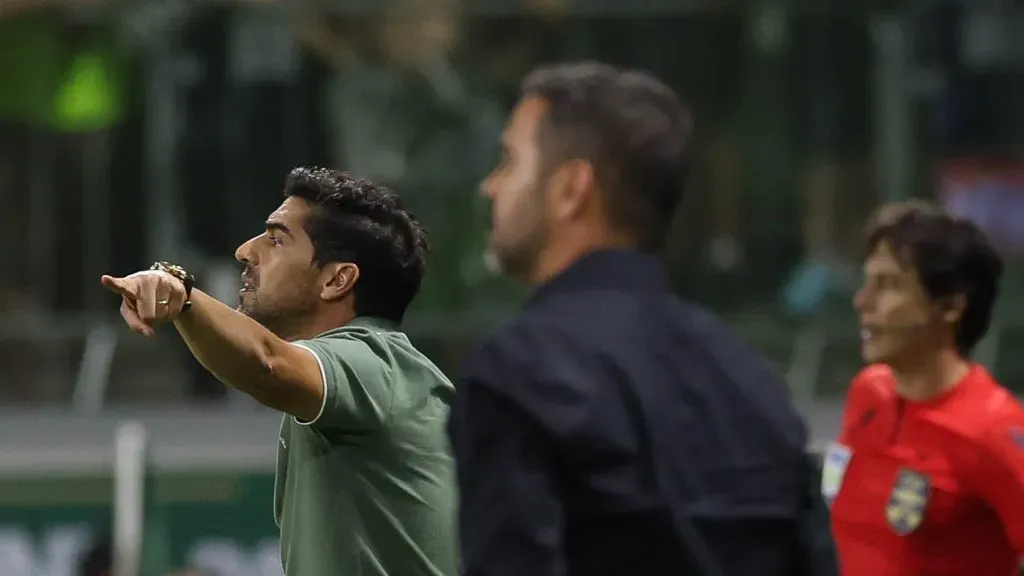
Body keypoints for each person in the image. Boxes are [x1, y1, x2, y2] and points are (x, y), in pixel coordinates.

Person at [448, 61, 835, 576]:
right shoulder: (752, 379)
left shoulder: (514, 375)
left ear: (571, 189)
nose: (491, 187)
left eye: (509, 161)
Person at [101, 167, 458, 576]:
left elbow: (265, 363)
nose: (244, 250)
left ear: (337, 279)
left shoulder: (376, 361)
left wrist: (182, 298)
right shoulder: (349, 384)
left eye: (275, 239)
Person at [825, 201, 1024, 575]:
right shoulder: (868, 394)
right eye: (868, 283)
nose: (863, 301)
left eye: (889, 285)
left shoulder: (993, 429)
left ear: (949, 307)